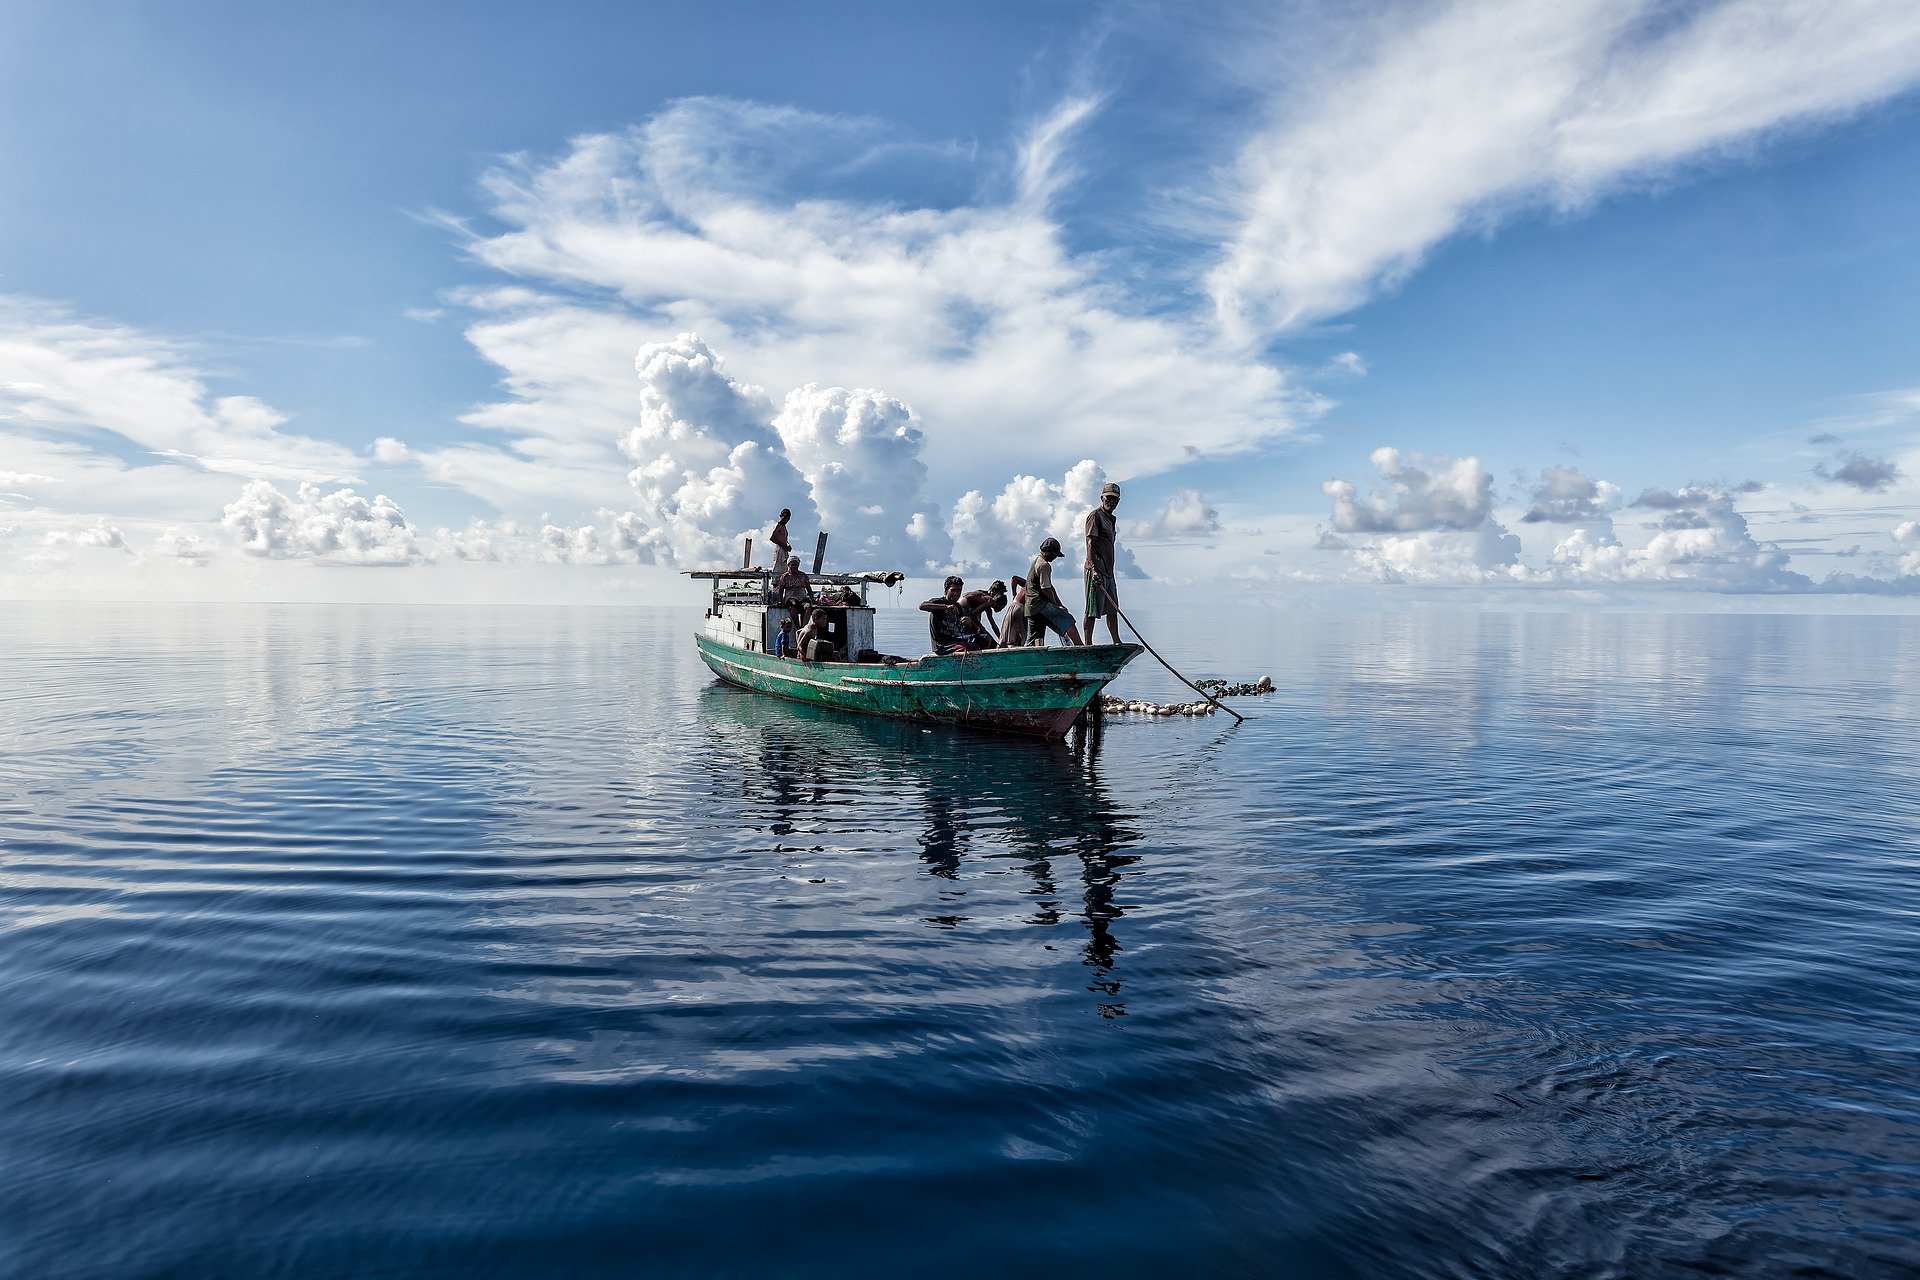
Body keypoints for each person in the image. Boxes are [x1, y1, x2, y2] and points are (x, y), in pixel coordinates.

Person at [1082, 481, 1123, 645]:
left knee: (1113, 608)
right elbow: (1090, 542)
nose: (1111, 502)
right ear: (1102, 498)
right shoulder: (1095, 516)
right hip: (1096, 569)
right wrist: (1093, 568)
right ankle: (1088, 643)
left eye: (1115, 499)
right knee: (1092, 608)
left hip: (1108, 571)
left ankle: (1116, 641)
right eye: (1109, 498)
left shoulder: (1111, 519)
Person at [1024, 537, 1084, 646]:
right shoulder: (1044, 565)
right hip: (1039, 604)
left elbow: (1050, 588)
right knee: (1068, 620)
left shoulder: (1036, 561)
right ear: (1049, 552)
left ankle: (1028, 656)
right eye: (1055, 554)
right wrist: (1056, 605)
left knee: (1034, 638)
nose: (1055, 557)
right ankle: (1080, 646)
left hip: (1030, 607)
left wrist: (1059, 605)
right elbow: (1046, 589)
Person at [920, 576, 989, 655]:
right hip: (942, 645)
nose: (956, 593)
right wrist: (945, 607)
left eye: (959, 591)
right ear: (946, 590)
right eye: (953, 590)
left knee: (985, 638)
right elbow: (922, 606)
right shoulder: (939, 601)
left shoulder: (958, 607)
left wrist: (967, 622)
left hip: (955, 640)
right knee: (972, 647)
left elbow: (968, 627)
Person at [958, 580, 1007, 645]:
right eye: (999, 594)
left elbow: (993, 624)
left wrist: (1001, 639)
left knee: (982, 632)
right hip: (963, 609)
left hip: (962, 608)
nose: (999, 596)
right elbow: (973, 614)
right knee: (982, 632)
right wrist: (979, 627)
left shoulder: (986, 599)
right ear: (993, 591)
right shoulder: (989, 600)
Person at [1000, 574, 1028, 648]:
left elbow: (1014, 578)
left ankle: (1000, 649)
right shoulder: (1034, 586)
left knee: (1005, 635)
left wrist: (1014, 594)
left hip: (1012, 606)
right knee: (1024, 636)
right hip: (1020, 608)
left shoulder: (1027, 584)